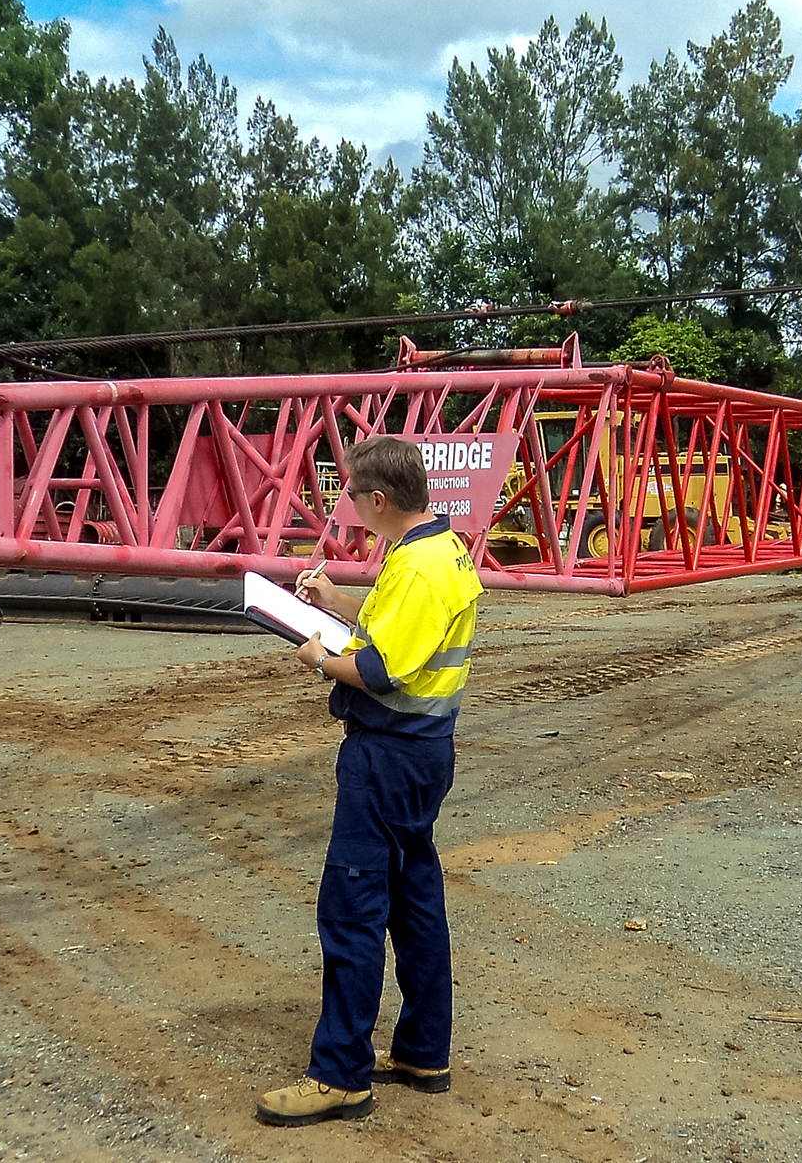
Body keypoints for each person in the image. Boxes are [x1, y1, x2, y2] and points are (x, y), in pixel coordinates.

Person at [254, 435, 483, 1127]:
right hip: (423, 752)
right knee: (414, 900)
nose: (345, 505)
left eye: (349, 495)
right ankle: (421, 1050)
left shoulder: (415, 570)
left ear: (378, 500)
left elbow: (379, 672)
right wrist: (339, 605)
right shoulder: (435, 551)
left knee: (352, 910)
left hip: (387, 754)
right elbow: (397, 642)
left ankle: (340, 1074)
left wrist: (319, 655)